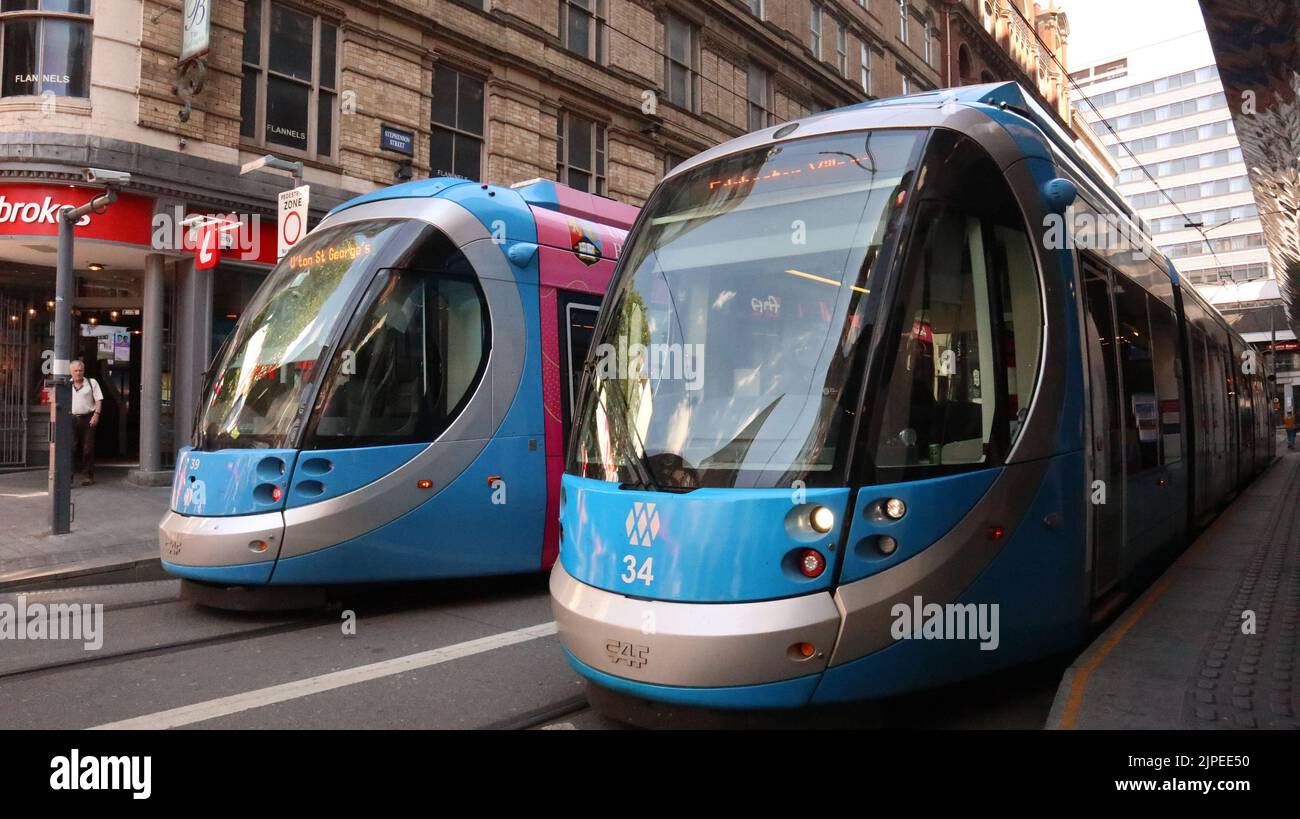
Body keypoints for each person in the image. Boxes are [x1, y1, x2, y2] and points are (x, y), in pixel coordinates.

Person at [69, 359, 103, 486]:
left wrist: (96, 415)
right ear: (71, 372)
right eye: (75, 371)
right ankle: (69, 477)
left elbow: (99, 400)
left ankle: (88, 475)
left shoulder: (91, 382)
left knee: (87, 448)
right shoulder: (67, 384)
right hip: (72, 418)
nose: (78, 373)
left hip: (88, 417)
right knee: (70, 448)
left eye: (80, 370)